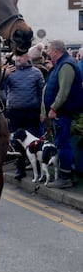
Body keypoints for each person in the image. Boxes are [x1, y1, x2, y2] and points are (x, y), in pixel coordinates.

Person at [41, 39, 83, 189]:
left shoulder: (66, 65)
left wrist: (53, 108)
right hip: (60, 112)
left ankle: (65, 177)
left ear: (56, 51)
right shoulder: (61, 64)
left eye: (49, 49)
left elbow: (64, 92)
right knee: (62, 143)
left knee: (63, 144)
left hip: (62, 113)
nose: (48, 52)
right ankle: (68, 172)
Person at [3, 53, 45, 180]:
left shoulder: (36, 73)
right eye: (17, 56)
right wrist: (4, 76)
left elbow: (42, 92)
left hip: (31, 112)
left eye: (21, 56)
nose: (18, 58)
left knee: (35, 142)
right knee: (16, 142)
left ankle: (38, 170)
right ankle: (20, 169)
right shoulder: (9, 72)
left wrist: (42, 110)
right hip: (15, 112)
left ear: (28, 58)